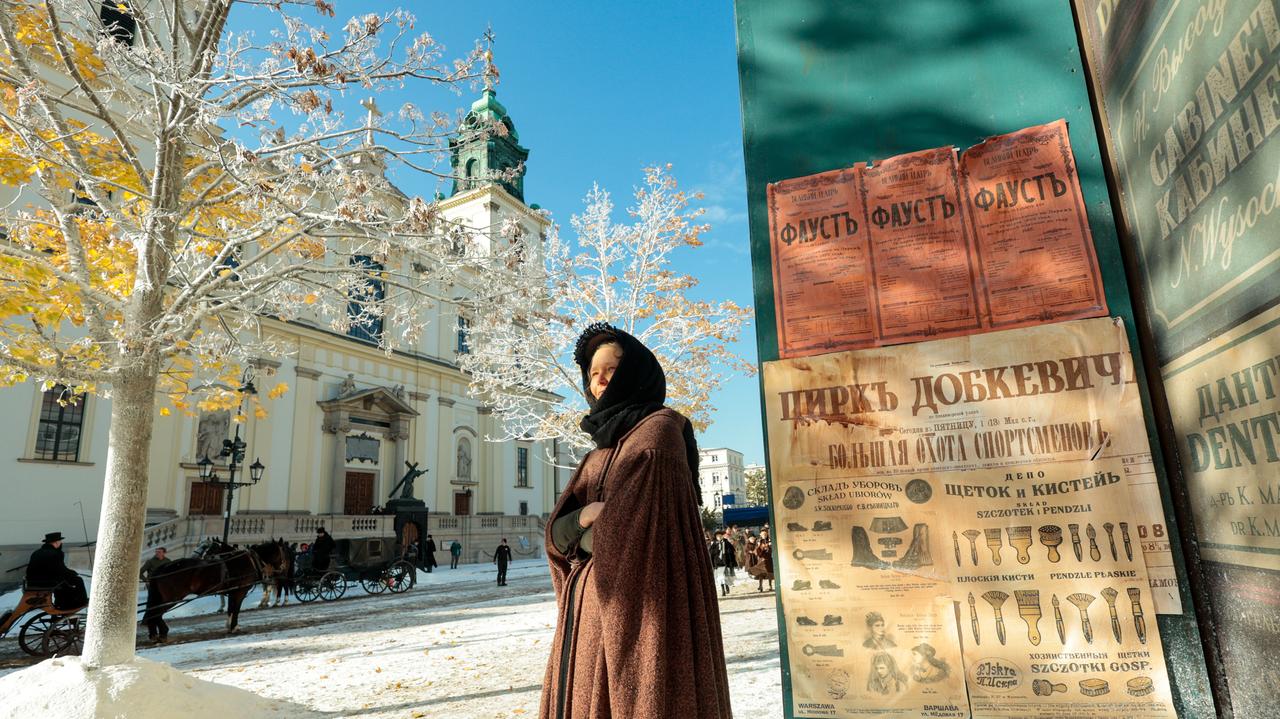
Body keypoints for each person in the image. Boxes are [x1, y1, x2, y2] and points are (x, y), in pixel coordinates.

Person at [540, 322, 731, 719]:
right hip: (588, 618)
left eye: (610, 369)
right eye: (593, 373)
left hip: (643, 615)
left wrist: (587, 531)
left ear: (634, 372)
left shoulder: (659, 433)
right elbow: (556, 536)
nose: (601, 380)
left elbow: (636, 534)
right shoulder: (600, 451)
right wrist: (584, 520)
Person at [26, 532, 88, 610]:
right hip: (44, 582)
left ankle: (62, 603)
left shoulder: (37, 552)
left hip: (35, 581)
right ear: (55, 542)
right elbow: (60, 570)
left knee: (63, 582)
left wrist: (69, 573)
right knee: (77, 580)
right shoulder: (54, 553)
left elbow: (55, 569)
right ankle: (80, 602)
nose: (61, 543)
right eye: (60, 541)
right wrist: (72, 573)